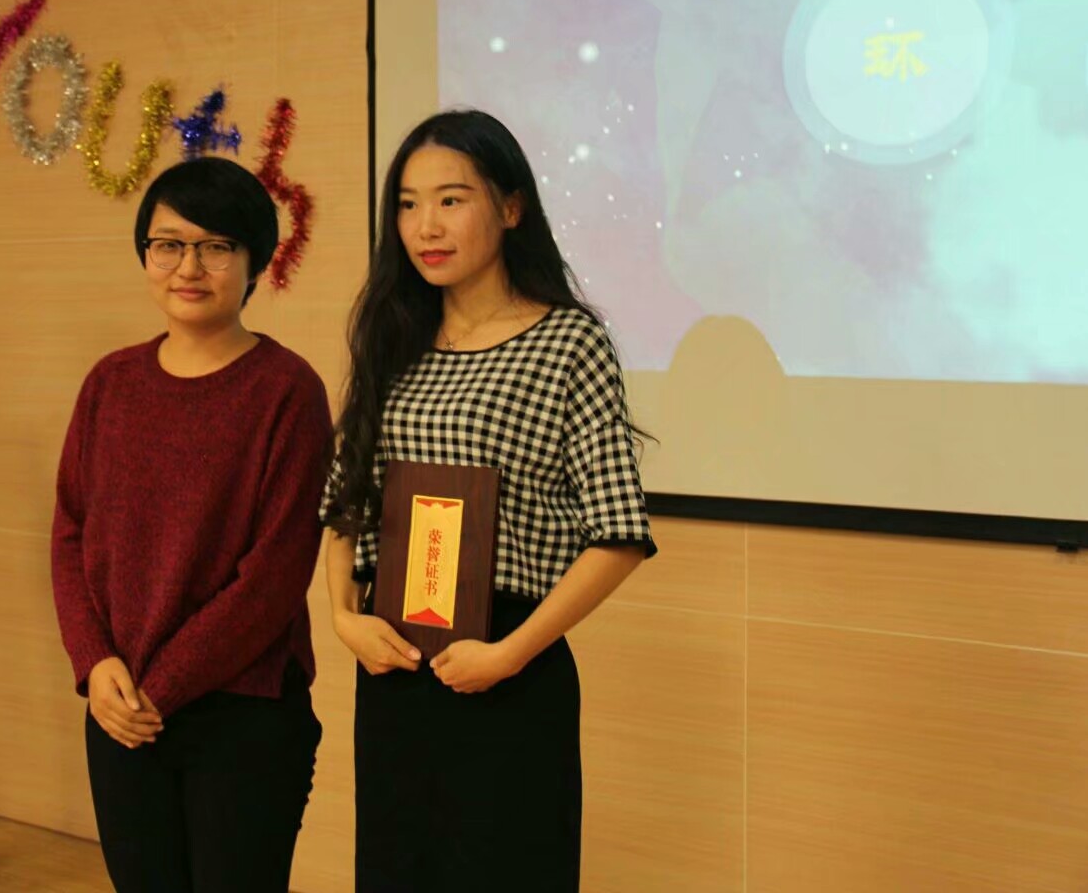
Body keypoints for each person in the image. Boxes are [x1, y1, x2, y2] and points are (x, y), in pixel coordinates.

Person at [321, 110, 656, 892]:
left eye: (451, 200)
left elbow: (618, 535)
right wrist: (341, 616)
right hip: (396, 664)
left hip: (509, 664)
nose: (426, 227)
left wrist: (509, 654)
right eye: (408, 204)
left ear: (510, 208)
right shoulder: (392, 338)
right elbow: (346, 500)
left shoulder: (567, 342)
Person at [50, 156, 331, 893]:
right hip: (119, 706)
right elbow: (70, 531)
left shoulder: (287, 391)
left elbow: (274, 575)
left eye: (216, 247)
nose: (188, 267)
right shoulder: (110, 381)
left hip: (242, 714)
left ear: (255, 262)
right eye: (168, 245)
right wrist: (95, 663)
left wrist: (160, 688)